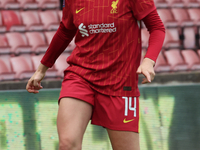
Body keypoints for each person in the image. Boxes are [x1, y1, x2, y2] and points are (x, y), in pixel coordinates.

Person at [26, 0, 165, 149]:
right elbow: (65, 31)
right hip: (80, 76)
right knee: (67, 144)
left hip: (120, 82)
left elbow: (157, 28)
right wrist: (41, 70)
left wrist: (149, 61)